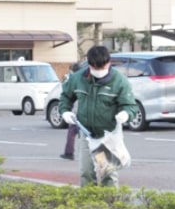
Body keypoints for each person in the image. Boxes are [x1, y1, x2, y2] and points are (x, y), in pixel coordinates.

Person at [58, 45, 138, 187]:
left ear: (109, 63)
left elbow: (130, 106)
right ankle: (89, 205)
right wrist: (64, 111)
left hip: (106, 136)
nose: (99, 71)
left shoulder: (119, 81)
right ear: (89, 65)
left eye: (103, 67)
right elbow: (65, 96)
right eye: (95, 68)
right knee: (86, 173)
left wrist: (126, 114)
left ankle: (110, 205)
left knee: (108, 174)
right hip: (86, 133)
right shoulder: (78, 79)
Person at [60, 62, 82, 161]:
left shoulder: (73, 80)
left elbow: (66, 95)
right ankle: (105, 169)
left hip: (78, 114)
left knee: (72, 133)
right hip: (91, 117)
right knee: (95, 142)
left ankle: (69, 153)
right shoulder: (87, 79)